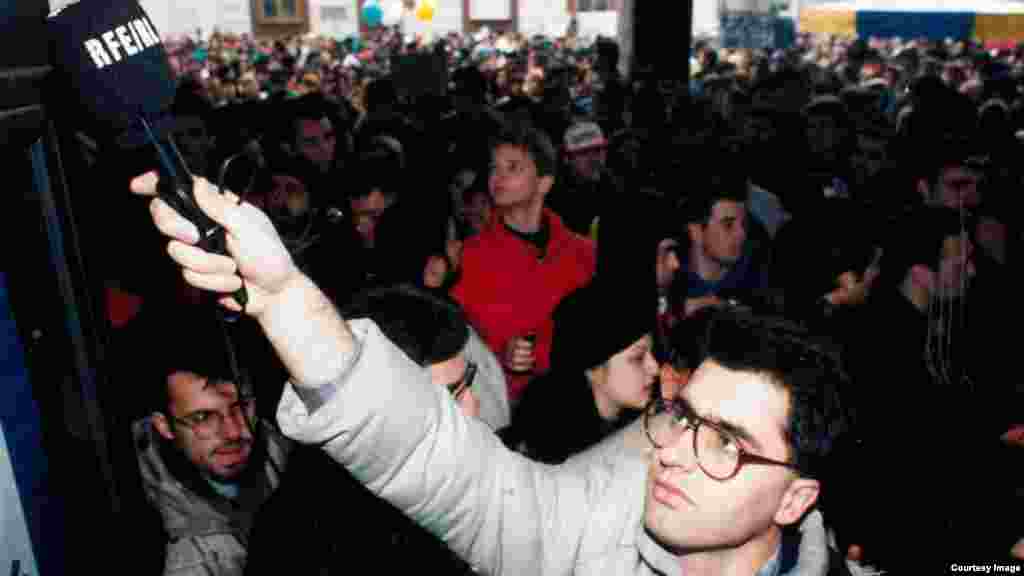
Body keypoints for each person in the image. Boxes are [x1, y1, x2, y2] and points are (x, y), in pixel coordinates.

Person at [132, 173, 853, 576]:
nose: (670, 447)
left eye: (723, 441)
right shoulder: (592, 527)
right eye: (682, 415)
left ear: (795, 499)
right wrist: (286, 297)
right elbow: (432, 453)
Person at [131, 308, 291, 576]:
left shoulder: (302, 455)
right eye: (203, 417)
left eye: (241, 405)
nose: (232, 431)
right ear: (164, 426)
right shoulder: (175, 552)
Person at [452, 122, 596, 405]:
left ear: (544, 182)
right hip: (503, 412)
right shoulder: (468, 257)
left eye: (513, 167)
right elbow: (458, 345)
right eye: (494, 168)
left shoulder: (584, 254)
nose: (498, 177)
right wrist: (497, 354)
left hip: (580, 407)